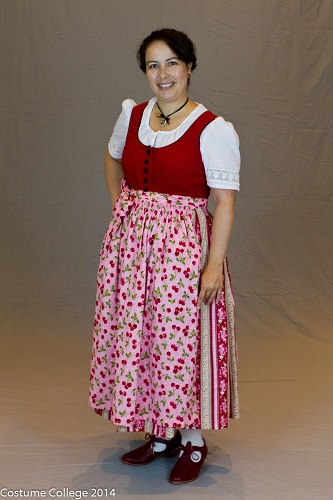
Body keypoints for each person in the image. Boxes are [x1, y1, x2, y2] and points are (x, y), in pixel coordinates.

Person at [89, 28, 240, 485]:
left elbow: (226, 201)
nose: (163, 74)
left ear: (189, 66)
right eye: (153, 65)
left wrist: (213, 264)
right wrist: (122, 208)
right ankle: (161, 434)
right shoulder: (132, 116)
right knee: (142, 336)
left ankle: (192, 440)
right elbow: (112, 160)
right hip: (132, 250)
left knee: (177, 342)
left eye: (171, 62)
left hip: (182, 250)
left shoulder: (213, 128)